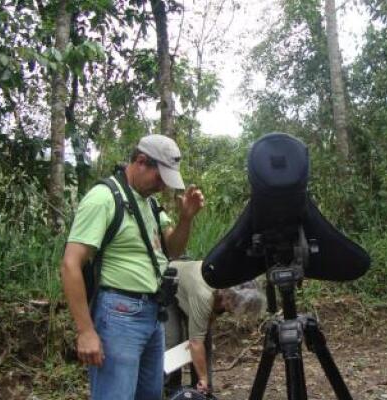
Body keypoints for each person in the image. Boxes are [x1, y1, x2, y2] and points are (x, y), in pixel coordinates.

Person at [60, 134, 205, 400]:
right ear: (141, 162)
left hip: (153, 314)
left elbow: (172, 250)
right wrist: (86, 331)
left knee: (149, 394)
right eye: (159, 177)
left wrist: (186, 219)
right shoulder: (103, 198)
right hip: (119, 314)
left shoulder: (148, 202)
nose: (162, 186)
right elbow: (71, 264)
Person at [164, 260, 266, 395]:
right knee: (174, 339)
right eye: (235, 306)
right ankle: (172, 388)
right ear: (229, 297)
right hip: (170, 286)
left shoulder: (229, 286)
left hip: (193, 288)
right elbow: (196, 343)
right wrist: (202, 373)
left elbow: (207, 322)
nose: (235, 311)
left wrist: (197, 339)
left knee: (203, 338)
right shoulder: (204, 295)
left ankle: (202, 389)